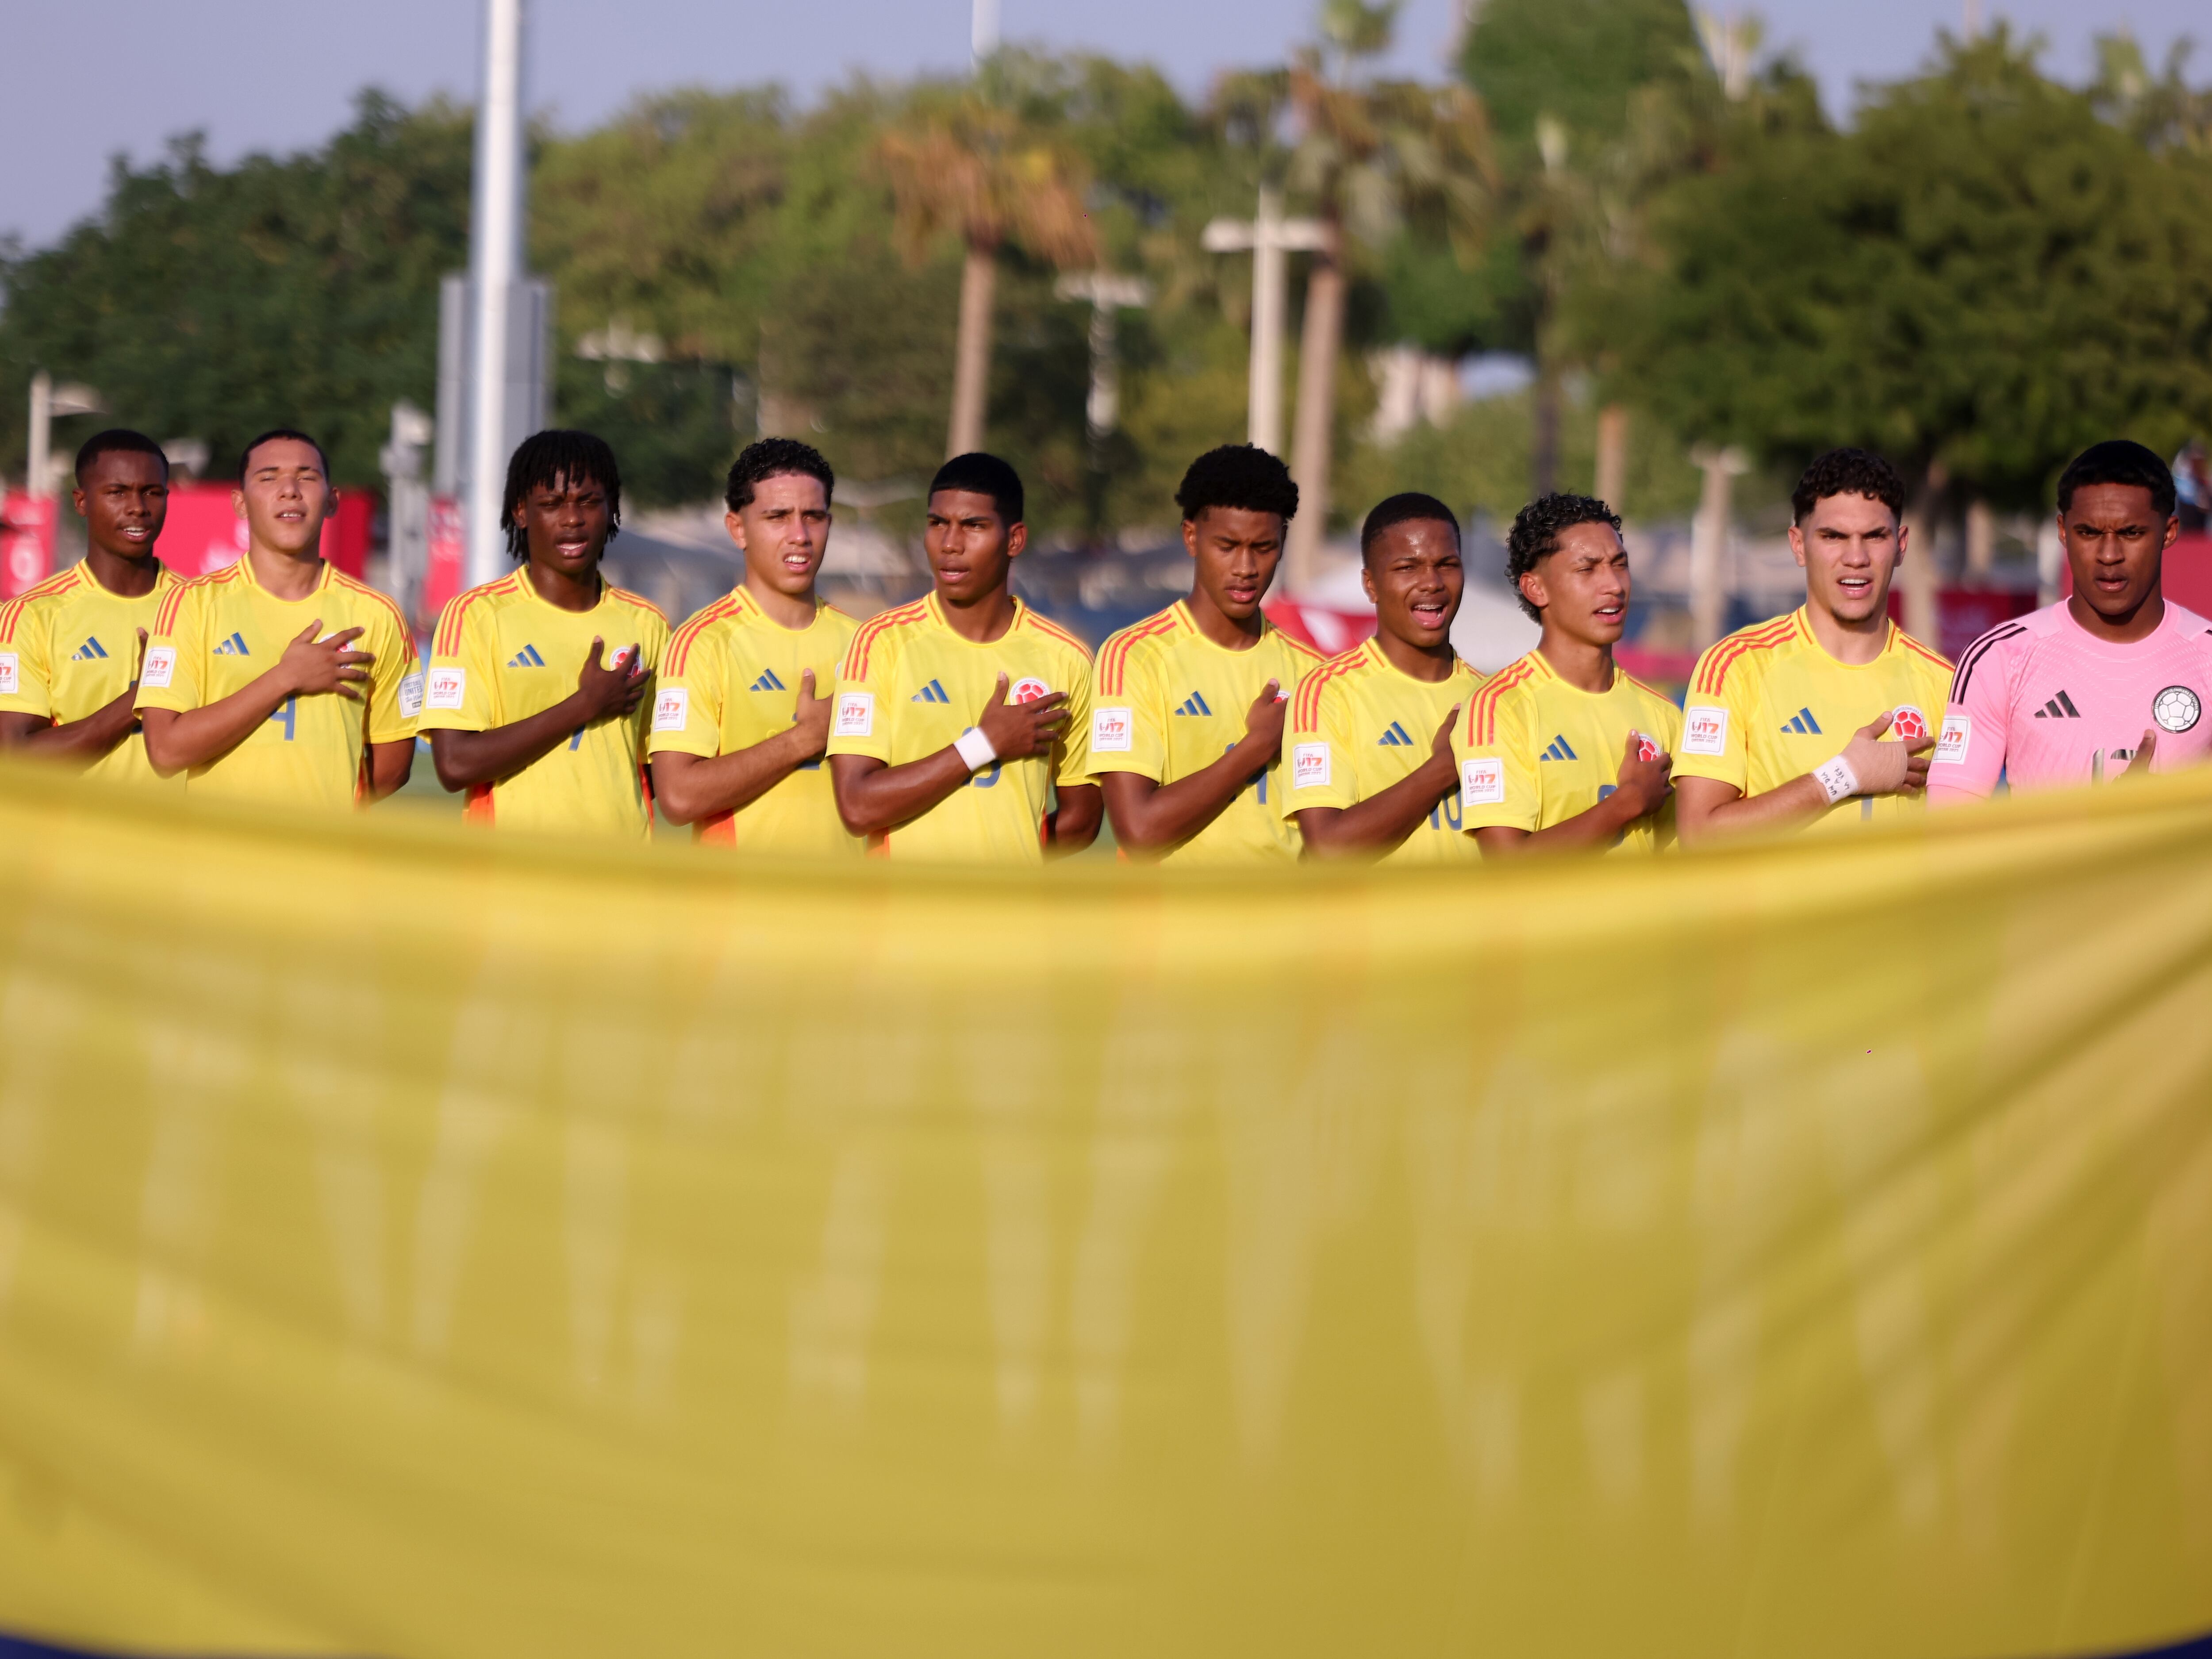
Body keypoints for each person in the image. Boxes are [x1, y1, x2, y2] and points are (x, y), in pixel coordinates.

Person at [826, 452, 1100, 861]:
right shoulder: (880, 643)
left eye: (974, 526)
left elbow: (1082, 820)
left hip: (1009, 921)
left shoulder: (1066, 658)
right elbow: (857, 806)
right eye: (938, 524)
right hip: (900, 920)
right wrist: (984, 744)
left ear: (1015, 540)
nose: (950, 544)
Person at [1674, 448, 1951, 842]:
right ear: (1799, 544)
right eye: (1833, 537)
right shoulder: (1736, 666)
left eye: (1875, 536)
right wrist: (1842, 776)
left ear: (1901, 544)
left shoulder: (1946, 683)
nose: (1856, 557)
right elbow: (1699, 837)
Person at [137, 429, 419, 806]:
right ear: (240, 503)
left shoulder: (378, 615)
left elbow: (394, 766)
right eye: (269, 478)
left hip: (325, 862)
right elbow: (166, 753)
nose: (290, 490)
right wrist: (285, 678)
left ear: (332, 501)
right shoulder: (190, 604)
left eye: (307, 477)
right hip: (217, 862)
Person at [1932, 439, 2212, 805]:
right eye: (2089, 533)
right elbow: (1950, 827)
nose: (2109, 555)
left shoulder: (2205, 655)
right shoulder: (2000, 657)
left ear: (2170, 532)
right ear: (2063, 531)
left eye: (2131, 533)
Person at [418, 430, 668, 835]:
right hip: (511, 879)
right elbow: (454, 765)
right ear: (521, 512)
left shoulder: (649, 624)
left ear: (612, 509)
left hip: (619, 880)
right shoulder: (476, 616)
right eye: (551, 504)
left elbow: (662, 768)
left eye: (589, 502)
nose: (572, 519)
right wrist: (584, 706)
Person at [1088, 445, 1321, 862]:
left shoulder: (1315, 675)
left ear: (1283, 543)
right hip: (1167, 925)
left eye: (1263, 547)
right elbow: (1138, 829)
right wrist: (1256, 748)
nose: (1246, 567)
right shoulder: (1133, 657)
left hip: (1282, 924)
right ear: (1191, 537)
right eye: (1228, 545)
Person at [649, 438, 860, 854]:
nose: (799, 535)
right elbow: (677, 797)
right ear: (738, 529)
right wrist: (804, 739)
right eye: (778, 517)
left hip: (846, 912)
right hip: (737, 913)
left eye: (813, 517)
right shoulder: (702, 642)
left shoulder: (866, 644)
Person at [1453, 493, 1680, 855]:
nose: (1615, 586)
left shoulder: (1665, 714)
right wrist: (1627, 802)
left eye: (1619, 565)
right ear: (1536, 588)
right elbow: (1506, 867)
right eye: (1587, 569)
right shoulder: (1499, 709)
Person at [1283, 492, 1484, 861]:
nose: (1432, 583)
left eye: (1447, 564)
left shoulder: (1493, 700)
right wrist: (1444, 766)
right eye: (1408, 568)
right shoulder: (1327, 693)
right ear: (1370, 584)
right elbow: (1328, 847)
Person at [0, 430, 180, 784]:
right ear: (81, 502)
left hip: (181, 837)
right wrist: (143, 696)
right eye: (117, 492)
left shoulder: (201, 607)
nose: (138, 508)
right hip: (72, 838)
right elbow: (14, 758)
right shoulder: (31, 615)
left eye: (152, 493)